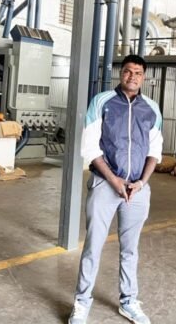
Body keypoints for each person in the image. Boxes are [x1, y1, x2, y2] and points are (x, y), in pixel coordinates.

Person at [69, 54, 163, 324]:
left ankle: (129, 301)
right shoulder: (102, 102)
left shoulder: (152, 109)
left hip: (137, 189)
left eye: (138, 73)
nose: (132, 77)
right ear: (121, 74)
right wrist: (114, 180)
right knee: (93, 246)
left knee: (130, 249)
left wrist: (141, 183)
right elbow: (90, 148)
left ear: (144, 77)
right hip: (105, 184)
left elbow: (155, 150)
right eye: (128, 71)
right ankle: (82, 302)